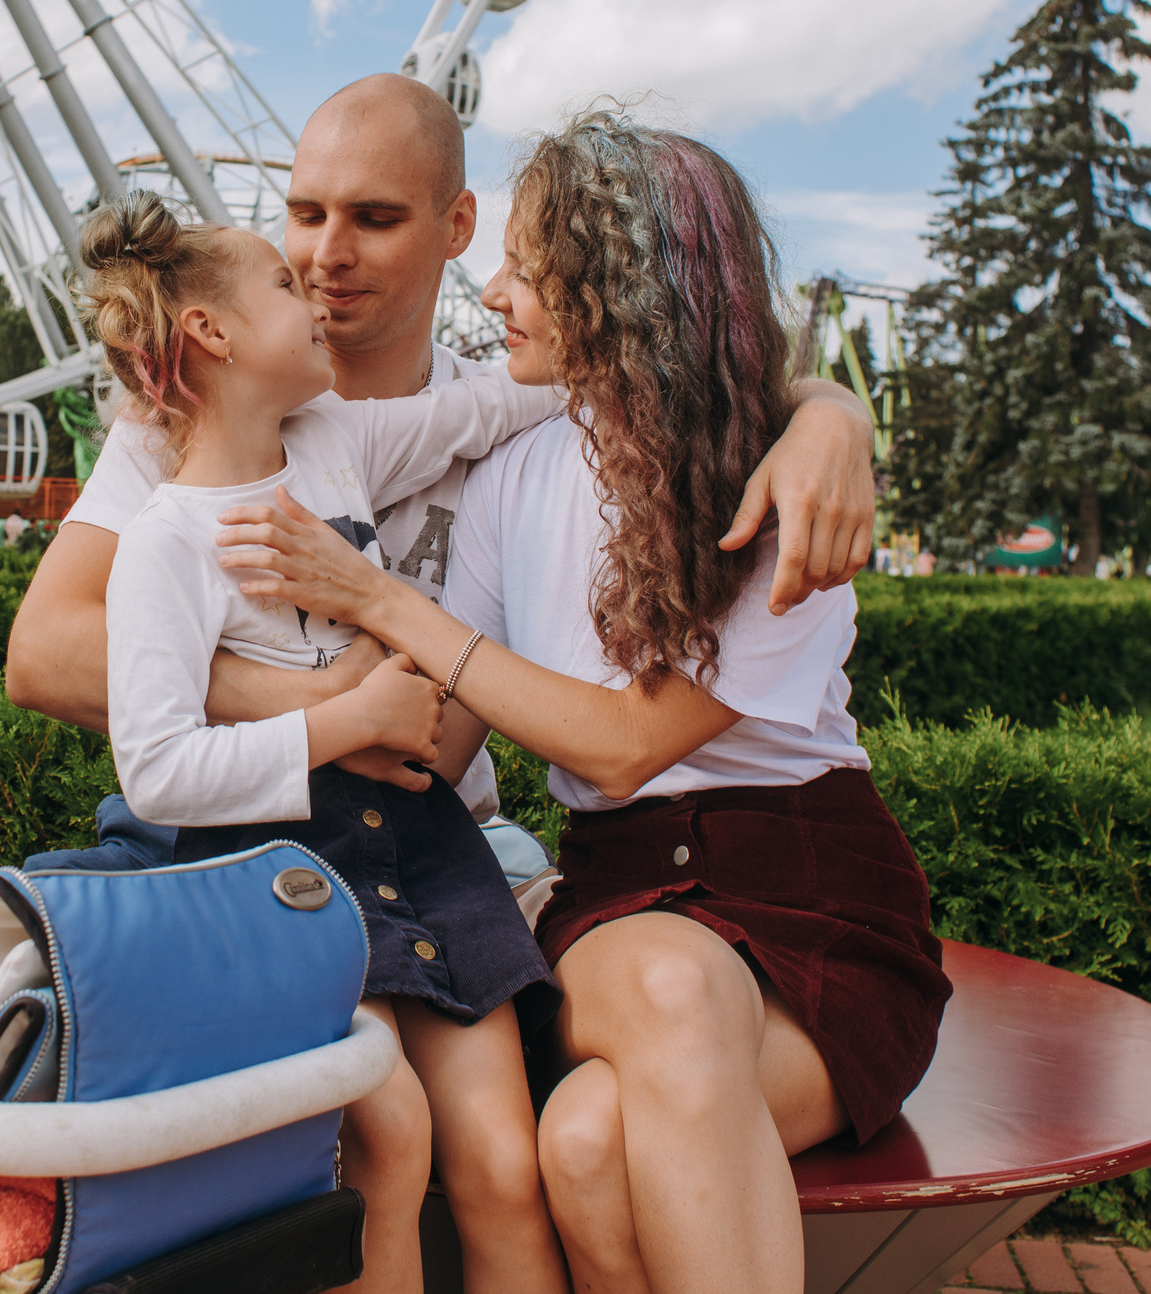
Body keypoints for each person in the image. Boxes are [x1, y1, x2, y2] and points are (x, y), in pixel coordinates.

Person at [213, 111, 950, 1294]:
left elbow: (621, 749)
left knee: (588, 1141)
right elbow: (439, 745)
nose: (494, 288)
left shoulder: (777, 483)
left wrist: (389, 606)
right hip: (624, 901)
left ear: (618, 287)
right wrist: (240, 676)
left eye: (528, 265)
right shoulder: (515, 468)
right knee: (666, 980)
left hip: (813, 909)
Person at [5, 73, 881, 867]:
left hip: (424, 836)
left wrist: (826, 412)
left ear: (457, 225)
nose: (325, 257)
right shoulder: (186, 418)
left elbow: (655, 370)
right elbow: (45, 655)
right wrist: (327, 701)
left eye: (374, 219)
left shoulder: (502, 421)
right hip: (218, 822)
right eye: (305, 215)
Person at [79, 189, 567, 1294]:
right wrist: (346, 720)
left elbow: (489, 411)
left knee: (502, 1158)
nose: (318, 297)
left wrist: (798, 396)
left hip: (431, 855)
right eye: (287, 286)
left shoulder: (339, 439)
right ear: (210, 333)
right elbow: (155, 769)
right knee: (383, 1141)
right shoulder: (165, 544)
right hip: (289, 879)